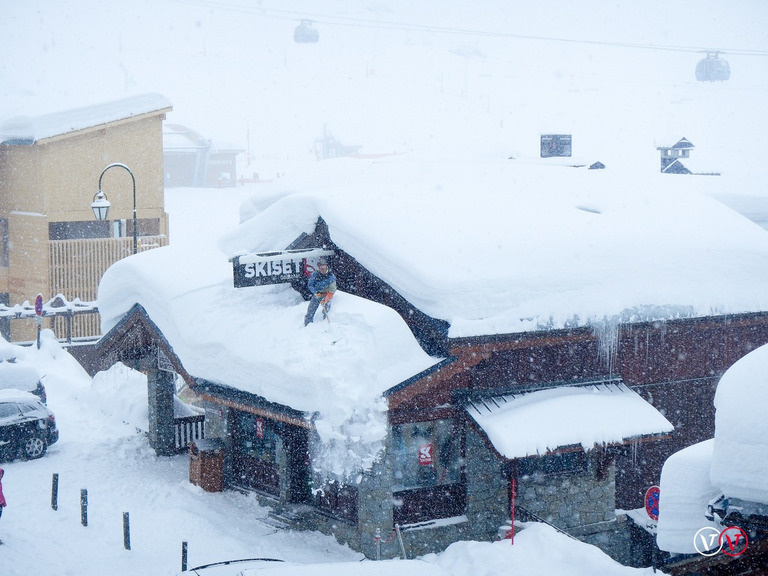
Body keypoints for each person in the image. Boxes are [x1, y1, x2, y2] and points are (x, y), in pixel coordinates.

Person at [304, 257, 337, 326]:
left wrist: (325, 299)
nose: (322, 268)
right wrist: (316, 293)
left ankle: (325, 324)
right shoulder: (315, 275)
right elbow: (310, 285)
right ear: (319, 267)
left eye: (324, 266)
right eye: (321, 266)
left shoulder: (331, 276)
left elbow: (332, 290)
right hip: (317, 294)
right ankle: (307, 325)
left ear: (326, 266)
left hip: (327, 295)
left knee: (326, 310)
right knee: (310, 310)